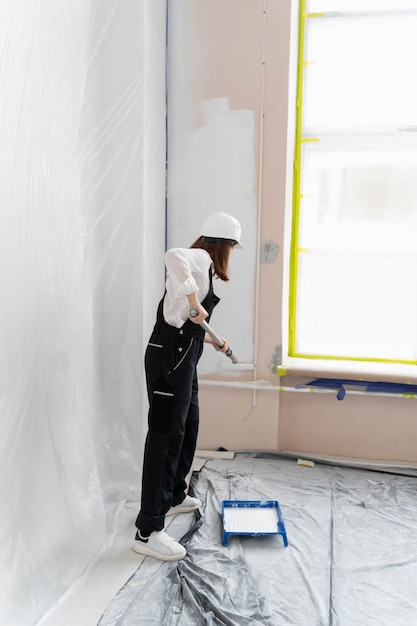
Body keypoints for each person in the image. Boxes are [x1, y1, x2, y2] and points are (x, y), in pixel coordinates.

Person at [133, 212, 243, 561]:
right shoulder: (199, 258)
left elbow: (186, 321)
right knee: (165, 438)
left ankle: (175, 495)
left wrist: (217, 342)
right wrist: (196, 303)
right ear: (223, 245)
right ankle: (147, 530)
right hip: (169, 360)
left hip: (185, 361)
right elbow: (172, 256)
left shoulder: (205, 270)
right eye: (232, 247)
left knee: (188, 428)